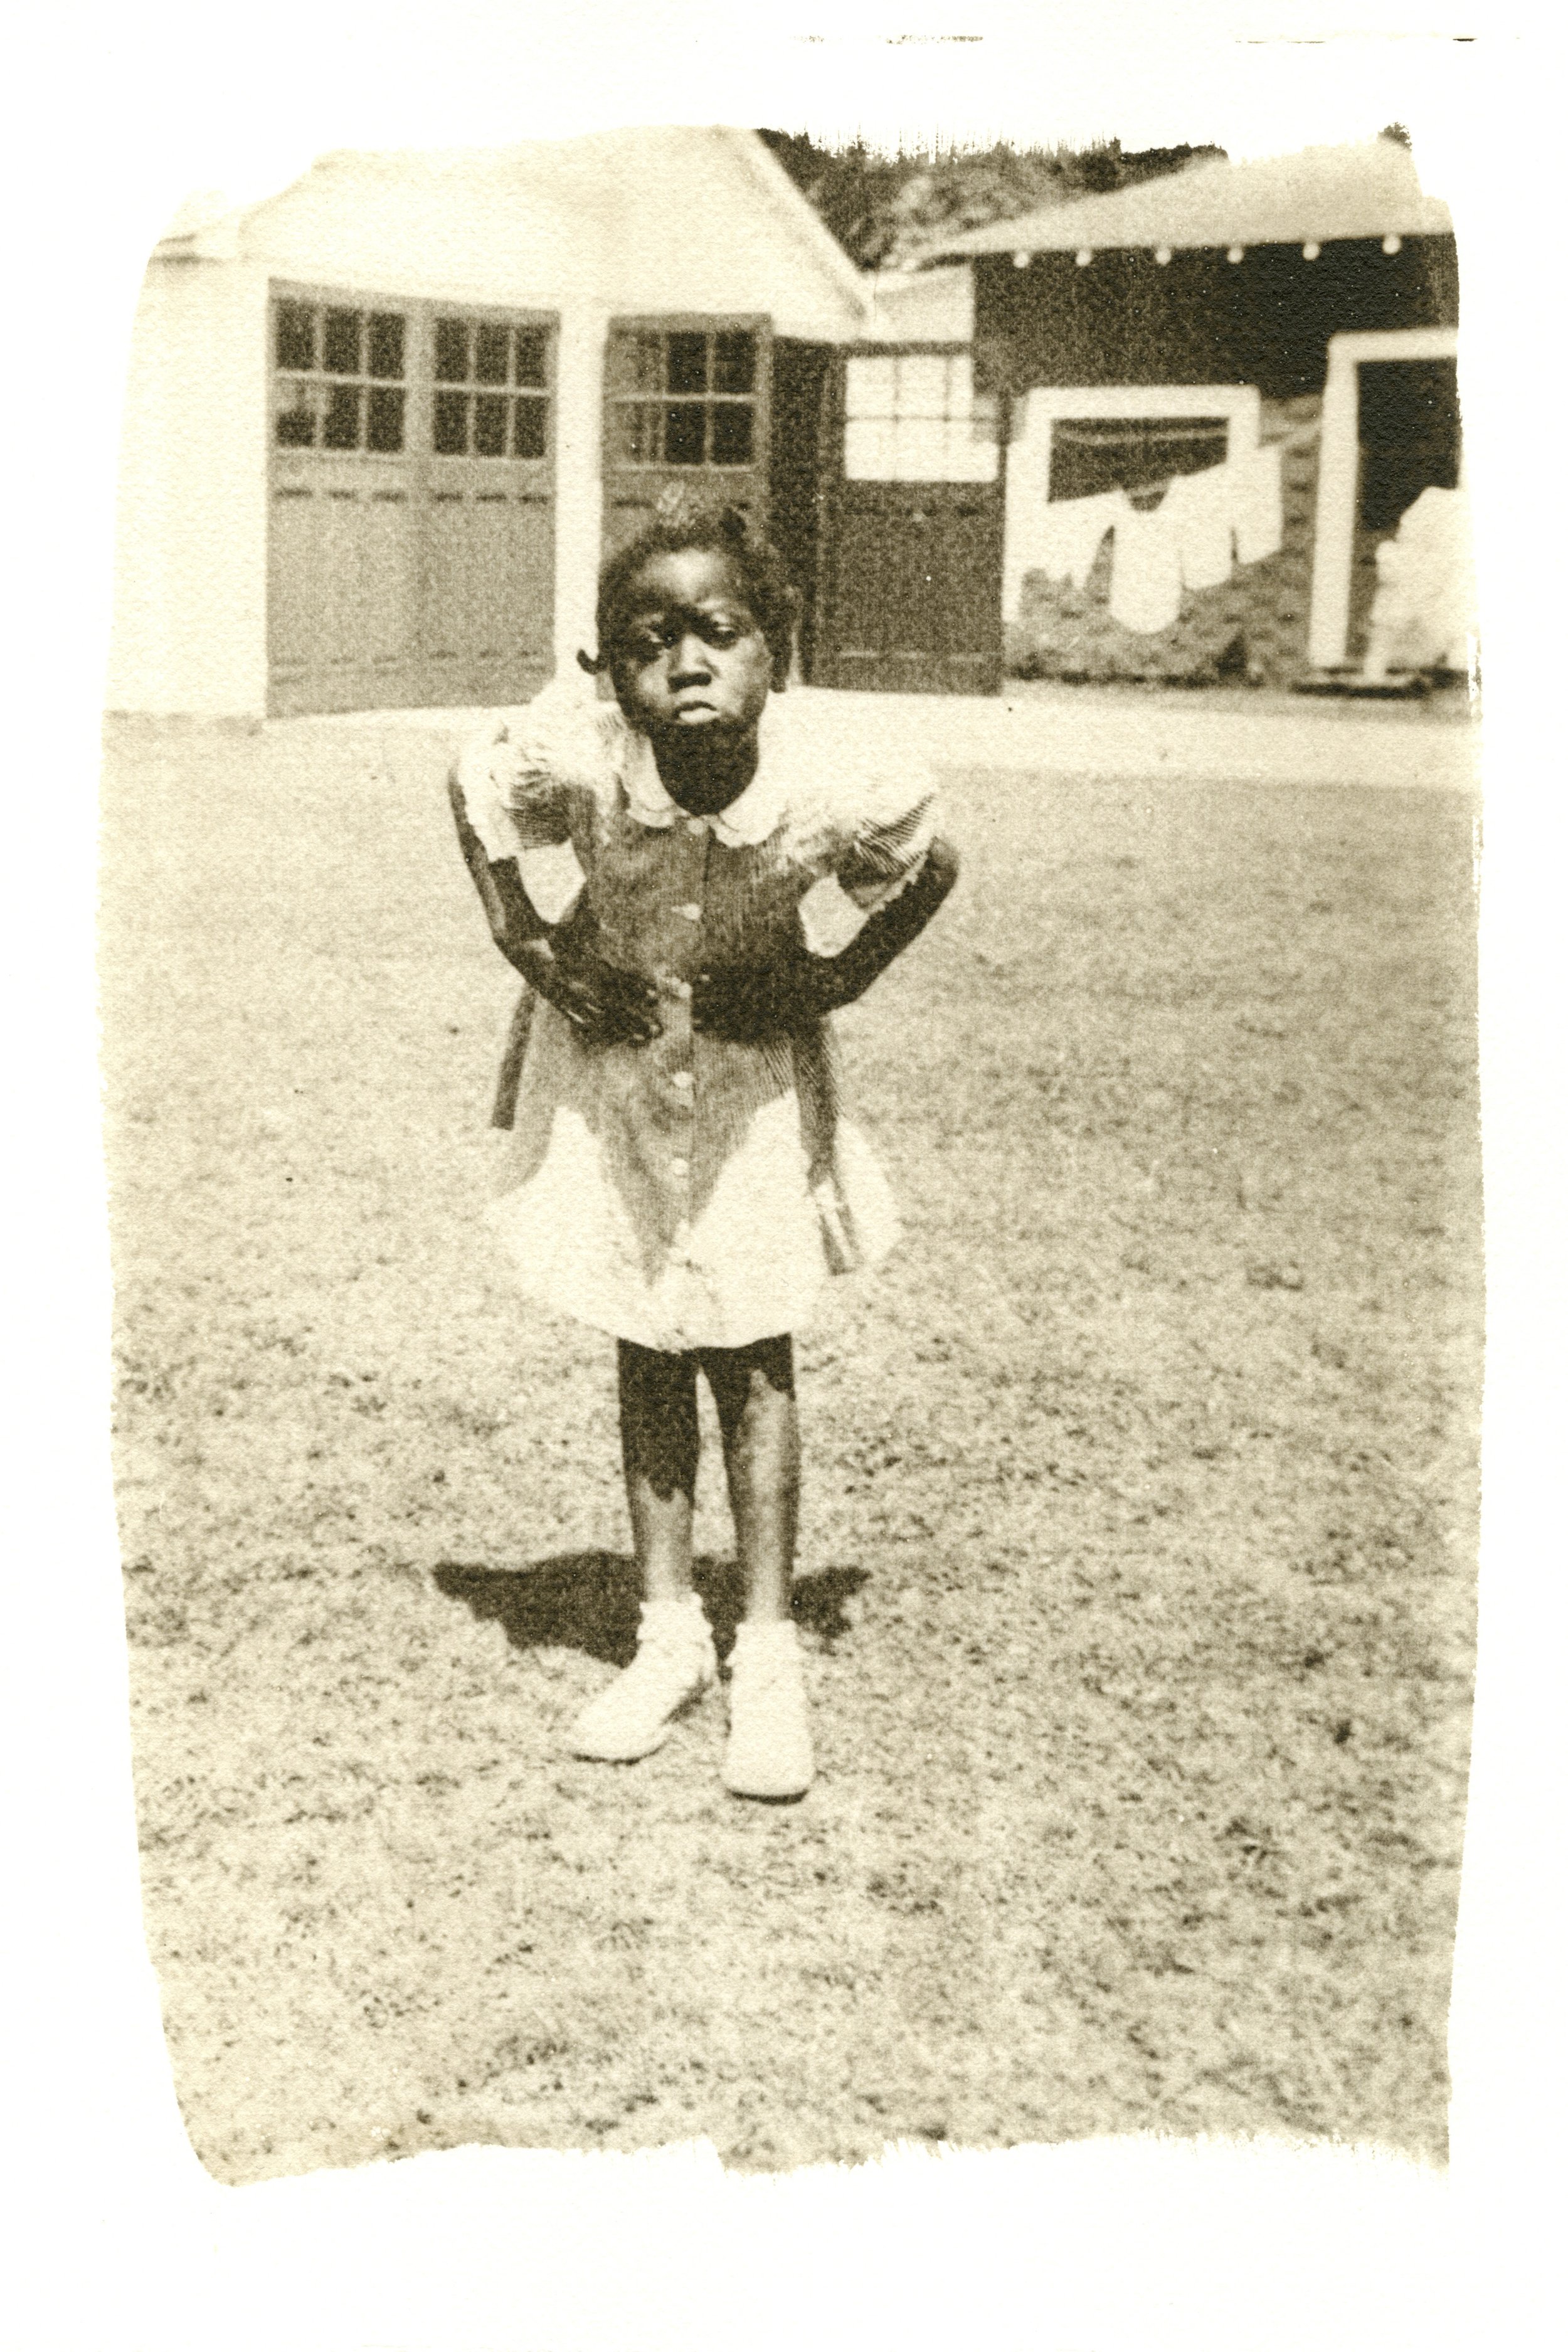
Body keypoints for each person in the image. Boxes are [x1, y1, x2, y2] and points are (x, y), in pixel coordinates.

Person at [448, 496, 958, 1800]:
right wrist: (531, 944)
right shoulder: (586, 760)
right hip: (616, 1070)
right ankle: (666, 1632)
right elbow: (472, 787)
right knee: (644, 1332)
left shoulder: (823, 784)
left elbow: (931, 860)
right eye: (647, 639)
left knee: (749, 1348)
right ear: (609, 671)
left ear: (771, 650)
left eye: (717, 633)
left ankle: (768, 1652)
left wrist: (833, 977)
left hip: (745, 1088)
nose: (684, 661)